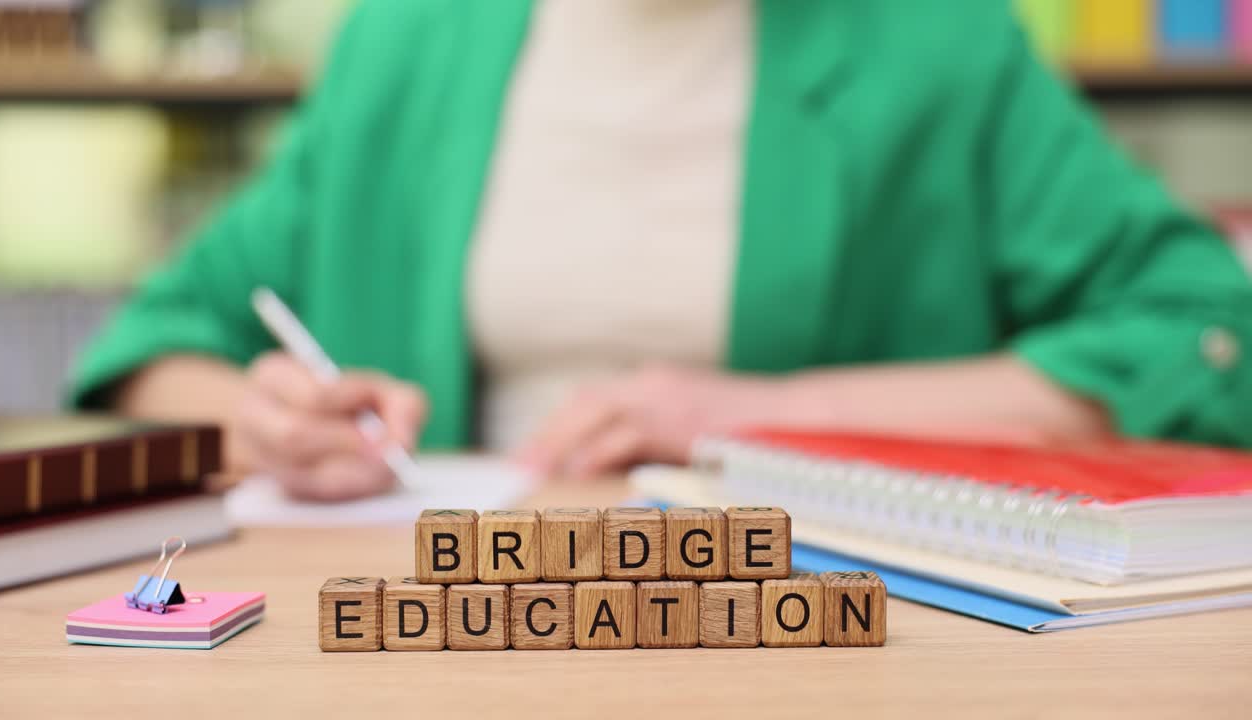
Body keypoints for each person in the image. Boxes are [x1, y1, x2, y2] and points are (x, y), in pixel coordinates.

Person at [71, 0, 1252, 500]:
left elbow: (1199, 334)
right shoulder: (409, 36)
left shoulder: (934, 42)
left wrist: (757, 414)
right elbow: (156, 347)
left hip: (811, 645)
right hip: (434, 627)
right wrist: (269, 423)